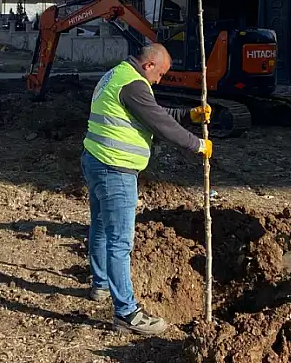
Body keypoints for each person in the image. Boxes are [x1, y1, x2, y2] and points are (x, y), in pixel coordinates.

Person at [82, 43, 214, 335]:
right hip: (115, 169)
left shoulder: (119, 74)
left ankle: (101, 285)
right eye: (161, 74)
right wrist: (198, 144)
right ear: (149, 65)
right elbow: (159, 124)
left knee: (102, 228)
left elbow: (153, 112)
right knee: (120, 241)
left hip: (96, 160)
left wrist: (188, 116)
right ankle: (126, 314)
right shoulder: (133, 83)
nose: (160, 81)